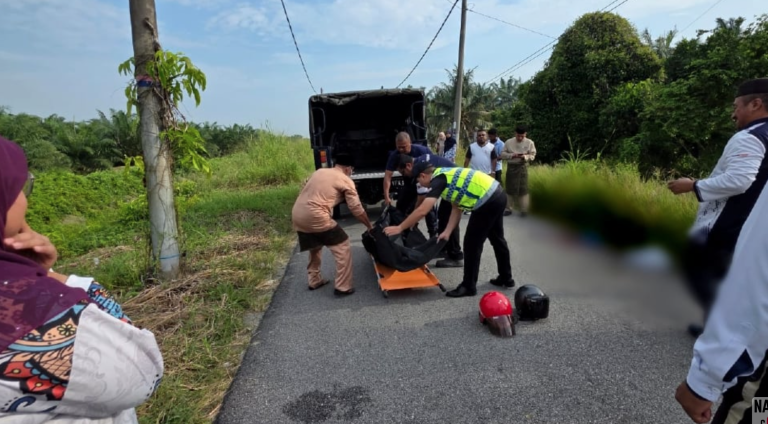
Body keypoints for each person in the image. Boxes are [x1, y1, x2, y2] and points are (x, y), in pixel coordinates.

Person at [0, 136, 164, 423]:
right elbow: (144, 373)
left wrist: (39, 272)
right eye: (17, 187)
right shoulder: (26, 313)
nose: (25, 198)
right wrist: (58, 279)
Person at [674, 78, 768, 424]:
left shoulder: (752, 136)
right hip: (743, 235)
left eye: (737, 105)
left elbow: (740, 180)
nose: (734, 113)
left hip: (733, 233)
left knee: (749, 404)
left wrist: (694, 185)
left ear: (756, 104)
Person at [383, 160, 515, 298]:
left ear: (422, 176)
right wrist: (447, 232)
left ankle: (468, 286)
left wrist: (400, 227)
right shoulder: (446, 175)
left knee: (472, 244)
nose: (419, 185)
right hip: (497, 193)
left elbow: (423, 210)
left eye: (418, 182)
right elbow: (456, 206)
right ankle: (506, 277)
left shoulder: (438, 181)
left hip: (488, 201)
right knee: (497, 238)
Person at [292, 152, 373, 296]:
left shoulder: (319, 172)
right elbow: (356, 209)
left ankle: (314, 279)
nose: (351, 173)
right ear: (348, 169)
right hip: (316, 216)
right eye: (352, 170)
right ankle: (343, 286)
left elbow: (305, 186)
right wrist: (369, 225)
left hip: (298, 214)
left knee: (315, 245)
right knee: (342, 244)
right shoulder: (345, 180)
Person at [398, 153, 464, 268]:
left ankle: (455, 256)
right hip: (453, 183)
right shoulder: (420, 160)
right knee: (443, 216)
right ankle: (445, 248)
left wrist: (410, 221)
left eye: (403, 172)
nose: (405, 176)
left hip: (456, 185)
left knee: (447, 219)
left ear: (408, 166)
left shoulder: (419, 169)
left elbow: (422, 201)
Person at [382, 131, 437, 237]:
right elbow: (387, 176)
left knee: (428, 208)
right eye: (399, 147)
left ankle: (433, 235)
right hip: (409, 183)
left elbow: (433, 167)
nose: (401, 150)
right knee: (401, 205)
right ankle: (402, 230)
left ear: (410, 143)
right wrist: (386, 196)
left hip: (425, 181)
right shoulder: (395, 155)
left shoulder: (422, 151)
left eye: (404, 147)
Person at [500, 126, 537, 217]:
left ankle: (524, 210)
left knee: (523, 189)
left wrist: (525, 157)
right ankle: (508, 208)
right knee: (509, 188)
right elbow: (502, 154)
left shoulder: (530, 142)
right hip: (511, 167)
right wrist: (512, 155)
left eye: (522, 136)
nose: (520, 138)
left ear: (525, 134)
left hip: (522, 167)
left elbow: (533, 154)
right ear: (515, 134)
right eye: (518, 136)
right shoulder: (508, 142)